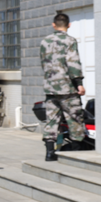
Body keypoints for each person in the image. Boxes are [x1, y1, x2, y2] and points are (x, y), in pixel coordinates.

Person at [39, 12, 87, 162]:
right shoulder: (70, 41)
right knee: (74, 118)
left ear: (53, 25)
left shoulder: (44, 41)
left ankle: (49, 153)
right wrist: (79, 83)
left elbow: (43, 63)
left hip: (50, 87)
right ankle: (76, 152)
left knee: (51, 120)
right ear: (69, 25)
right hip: (67, 88)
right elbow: (73, 63)